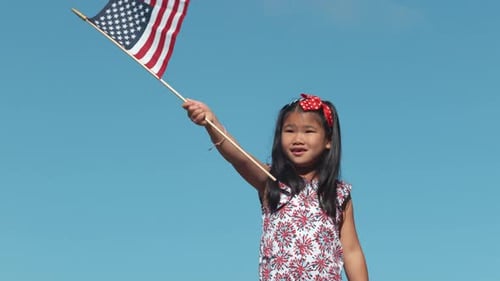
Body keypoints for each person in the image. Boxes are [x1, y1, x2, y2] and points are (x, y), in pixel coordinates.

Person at [182, 93, 368, 281]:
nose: (298, 138)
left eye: (308, 131)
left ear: (328, 140)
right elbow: (239, 158)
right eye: (289, 131)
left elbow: (351, 251)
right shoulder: (271, 181)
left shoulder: (338, 194)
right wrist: (212, 123)